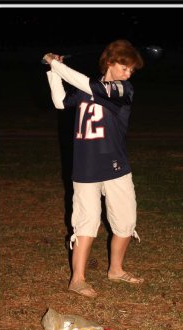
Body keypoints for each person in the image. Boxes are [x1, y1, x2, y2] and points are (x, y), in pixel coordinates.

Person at [43, 40, 144, 298]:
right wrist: (54, 71)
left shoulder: (123, 89)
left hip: (116, 166)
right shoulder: (88, 88)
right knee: (86, 223)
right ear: (110, 63)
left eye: (131, 70)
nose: (128, 73)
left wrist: (55, 63)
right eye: (124, 67)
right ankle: (77, 280)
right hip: (86, 168)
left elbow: (88, 84)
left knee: (125, 221)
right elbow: (60, 101)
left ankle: (116, 270)